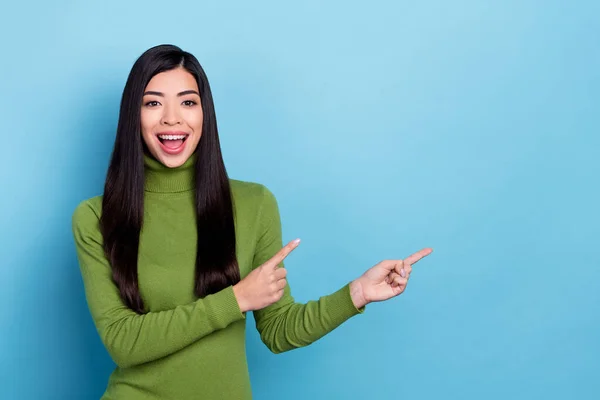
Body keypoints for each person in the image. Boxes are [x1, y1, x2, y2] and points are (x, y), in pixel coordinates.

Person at [72, 44, 433, 400]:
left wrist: (357, 294)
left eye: (187, 102)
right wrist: (236, 299)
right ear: (133, 114)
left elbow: (278, 330)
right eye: (152, 102)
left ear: (204, 114)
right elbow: (123, 342)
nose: (171, 118)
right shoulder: (95, 218)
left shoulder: (253, 204)